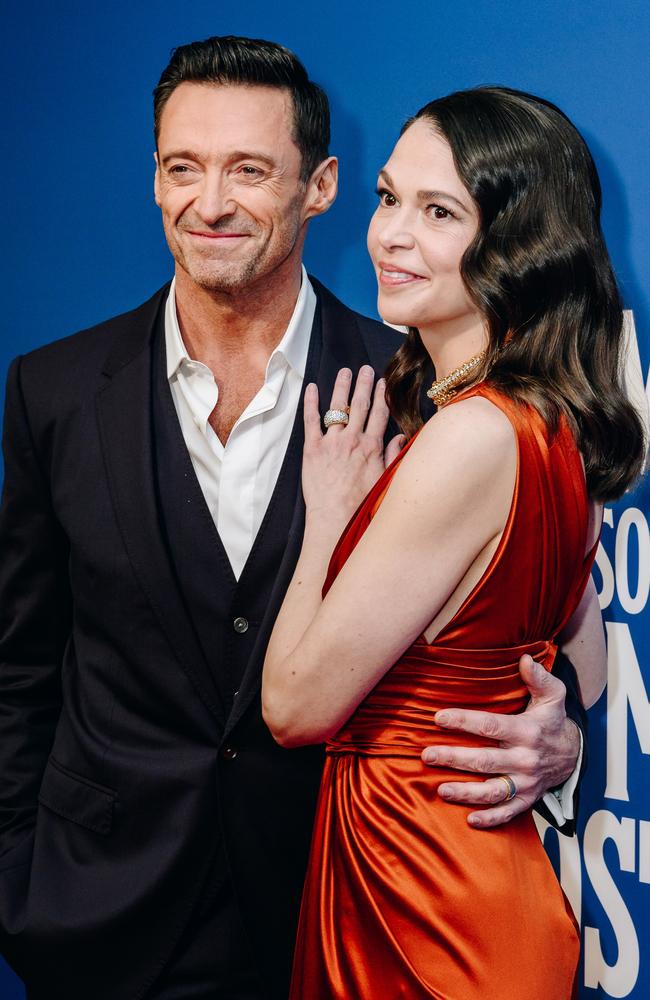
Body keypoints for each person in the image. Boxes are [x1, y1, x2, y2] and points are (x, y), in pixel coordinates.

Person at [0, 37, 584, 1000]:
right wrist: (20, 886)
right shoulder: (53, 391)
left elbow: (527, 622)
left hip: (338, 910)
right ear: (153, 177)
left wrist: (557, 741)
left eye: (249, 170)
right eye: (181, 167)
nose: (210, 202)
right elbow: (22, 667)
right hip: (97, 918)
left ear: (320, 187)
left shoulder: (422, 395)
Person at [262, 86, 645, 999]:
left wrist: (327, 515)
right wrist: (553, 737)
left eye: (439, 212)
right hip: (463, 882)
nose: (390, 235)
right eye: (389, 198)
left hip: (423, 900)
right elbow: (581, 674)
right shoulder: (549, 424)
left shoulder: (471, 435)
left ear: (516, 245)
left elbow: (294, 708)